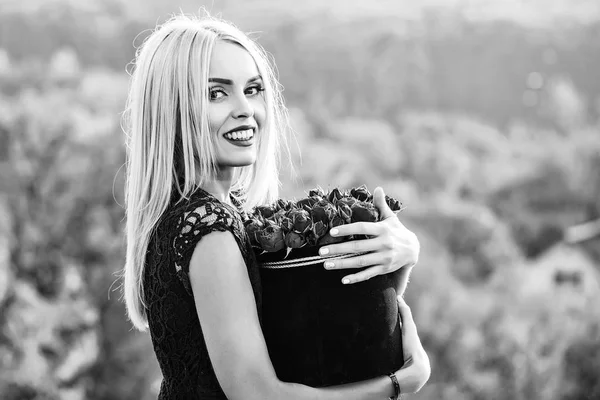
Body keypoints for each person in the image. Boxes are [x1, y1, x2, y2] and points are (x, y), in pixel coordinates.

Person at [122, 13, 429, 400]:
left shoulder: (207, 212)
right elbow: (260, 395)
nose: (245, 109)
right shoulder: (208, 227)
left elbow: (312, 338)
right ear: (172, 108)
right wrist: (399, 384)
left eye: (252, 89)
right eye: (216, 93)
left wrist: (400, 259)